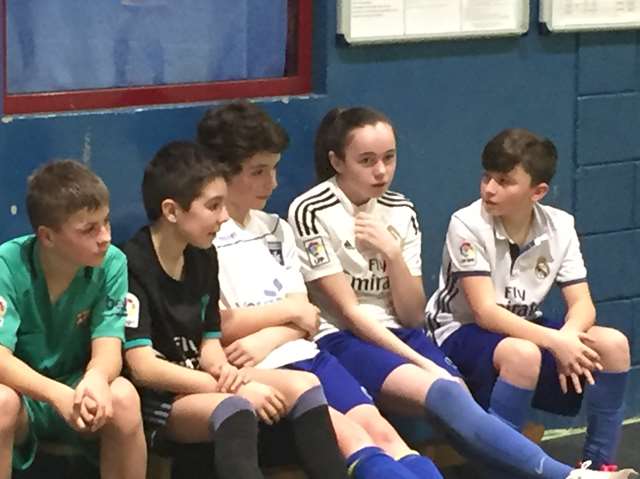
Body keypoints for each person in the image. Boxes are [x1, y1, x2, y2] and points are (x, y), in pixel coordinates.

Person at [287, 106, 638, 479]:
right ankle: (566, 476)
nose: (381, 171)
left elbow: (411, 315)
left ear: (538, 192)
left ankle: (592, 465)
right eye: (367, 161)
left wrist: (392, 254)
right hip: (344, 337)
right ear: (337, 161)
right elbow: (352, 313)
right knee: (449, 392)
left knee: (460, 393)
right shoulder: (312, 210)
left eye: (389, 158)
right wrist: (422, 361)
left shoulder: (400, 209)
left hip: (402, 331)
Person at [199, 100, 443, 479]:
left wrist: (270, 333)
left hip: (306, 354)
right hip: (263, 374)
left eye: (275, 169)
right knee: (349, 437)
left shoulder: (277, 228)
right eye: (258, 172)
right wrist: (288, 315)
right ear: (219, 173)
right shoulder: (205, 239)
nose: (272, 183)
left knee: (382, 431)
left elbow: (308, 315)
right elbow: (219, 324)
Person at [122, 140, 349, 479]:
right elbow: (144, 368)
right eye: (213, 206)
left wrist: (224, 371)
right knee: (236, 408)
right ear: (171, 211)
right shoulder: (131, 265)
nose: (224, 217)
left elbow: (210, 341)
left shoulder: (203, 255)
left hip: (203, 379)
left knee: (305, 385)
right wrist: (224, 386)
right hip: (160, 398)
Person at [425, 128, 632, 471]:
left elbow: (582, 304)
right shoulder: (467, 223)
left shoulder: (560, 226)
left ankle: (598, 467)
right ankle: (502, 468)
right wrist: (555, 341)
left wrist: (567, 338)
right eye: (487, 177)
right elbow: (485, 313)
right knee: (522, 354)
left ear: (538, 192)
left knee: (613, 345)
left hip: (523, 326)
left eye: (504, 181)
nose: (489, 189)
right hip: (458, 330)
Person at [0, 160, 146, 479]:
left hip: (78, 389)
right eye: (89, 229)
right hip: (25, 396)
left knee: (123, 397)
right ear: (47, 237)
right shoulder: (7, 265)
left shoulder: (112, 263)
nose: (105, 237)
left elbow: (109, 347)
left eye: (106, 222)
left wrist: (95, 378)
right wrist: (56, 394)